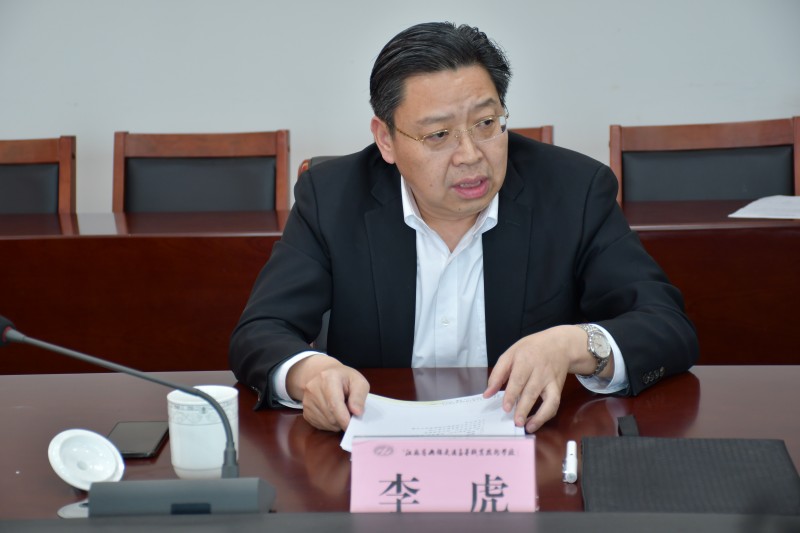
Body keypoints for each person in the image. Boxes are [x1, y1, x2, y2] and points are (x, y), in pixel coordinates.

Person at [229, 21, 698, 434]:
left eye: (486, 123)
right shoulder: (332, 198)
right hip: (374, 455)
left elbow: (666, 326)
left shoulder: (573, 191)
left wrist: (573, 344)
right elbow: (262, 330)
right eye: (439, 134)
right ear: (386, 139)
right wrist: (309, 374)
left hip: (533, 450)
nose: (471, 154)